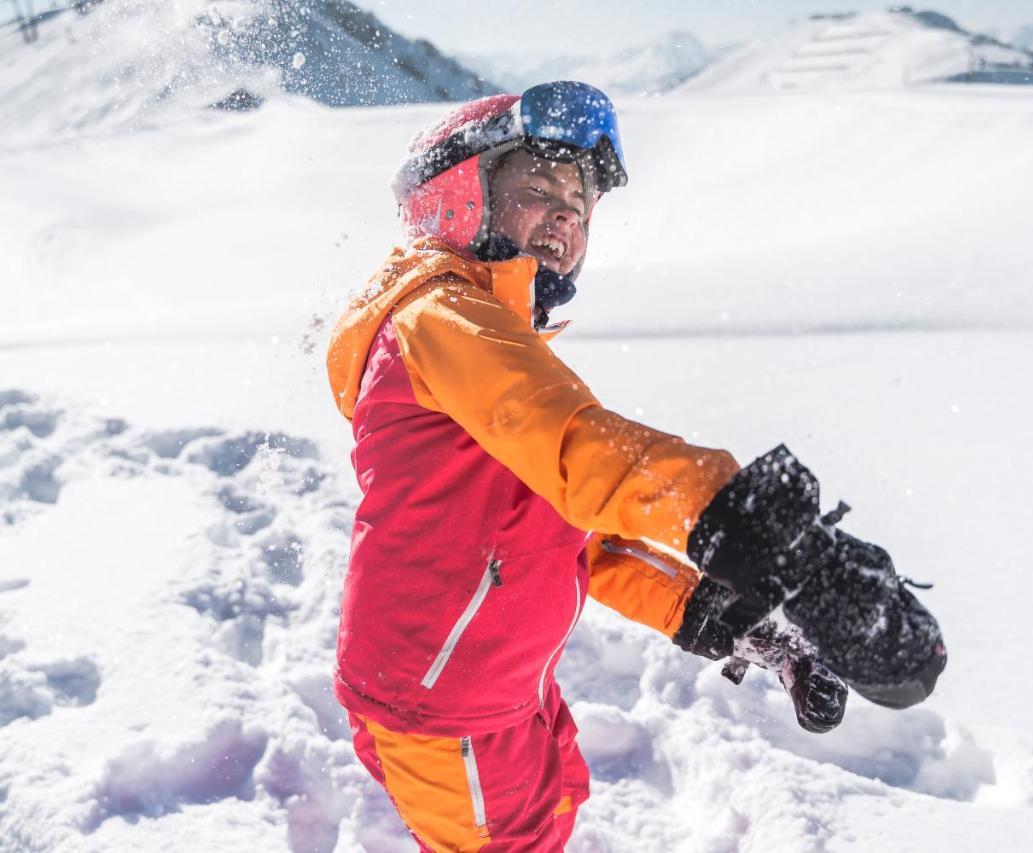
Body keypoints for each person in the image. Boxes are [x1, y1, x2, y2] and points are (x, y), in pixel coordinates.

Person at [326, 81, 945, 852]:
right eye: (539, 185)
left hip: (494, 684)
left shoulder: (486, 336)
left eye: (580, 203)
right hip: (442, 700)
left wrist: (727, 613)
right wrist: (782, 546)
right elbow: (584, 451)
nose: (565, 213)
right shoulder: (442, 320)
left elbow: (563, 534)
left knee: (549, 816)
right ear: (460, 194)